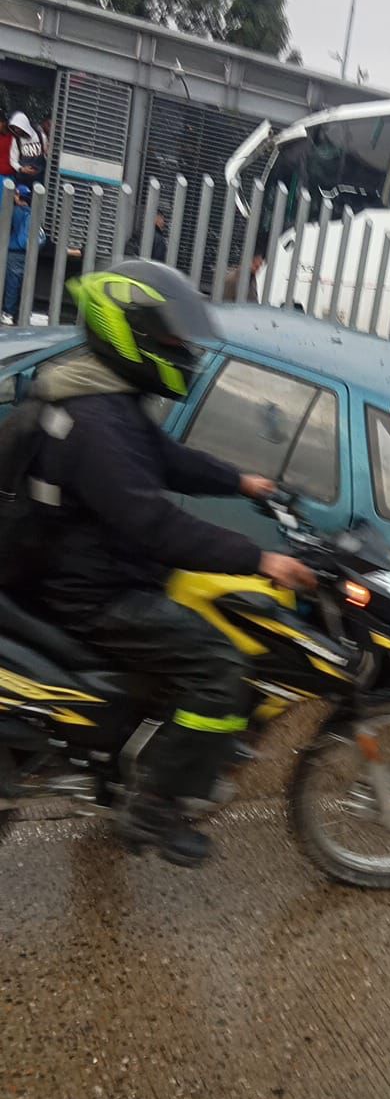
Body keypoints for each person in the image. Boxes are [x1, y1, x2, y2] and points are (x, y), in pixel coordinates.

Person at [28, 259, 314, 867]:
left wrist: (245, 482)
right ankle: (153, 808)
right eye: (172, 336)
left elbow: (167, 460)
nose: (183, 348)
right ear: (128, 333)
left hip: (105, 571)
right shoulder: (95, 423)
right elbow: (154, 524)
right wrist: (260, 559)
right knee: (220, 667)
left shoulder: (106, 397)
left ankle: (137, 749)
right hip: (99, 595)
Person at [3, 183, 43, 320]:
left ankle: (8, 312)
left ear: (18, 196)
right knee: (24, 284)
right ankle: (23, 313)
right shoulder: (33, 213)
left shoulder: (15, 211)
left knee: (11, 284)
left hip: (14, 252)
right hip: (28, 253)